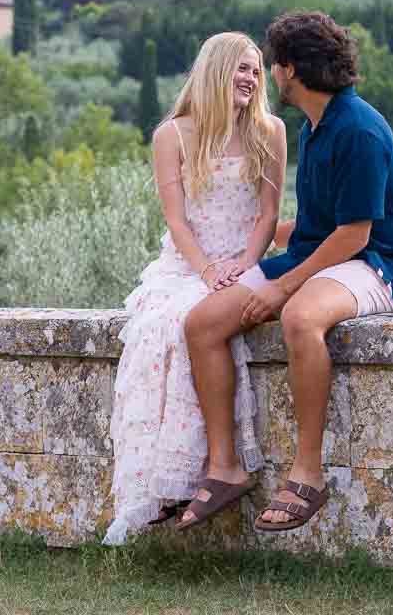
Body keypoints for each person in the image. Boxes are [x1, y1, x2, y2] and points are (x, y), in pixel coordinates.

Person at [179, 11, 393, 532]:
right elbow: (313, 226)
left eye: (272, 65)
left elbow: (353, 235)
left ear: (290, 70)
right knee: (202, 323)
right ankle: (225, 467)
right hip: (322, 256)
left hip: (372, 267)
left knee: (301, 318)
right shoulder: (316, 126)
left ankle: (307, 473)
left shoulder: (359, 130)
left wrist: (283, 286)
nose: (269, 76)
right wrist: (242, 245)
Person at [103, 32, 287, 546]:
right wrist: (206, 270)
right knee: (156, 332)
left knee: (196, 325)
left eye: (256, 70)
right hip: (186, 265)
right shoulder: (173, 135)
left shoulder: (270, 131)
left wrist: (243, 265)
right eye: (240, 68)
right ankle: (161, 486)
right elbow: (177, 220)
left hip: (245, 263)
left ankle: (214, 470)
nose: (251, 77)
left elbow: (269, 216)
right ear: (213, 71)